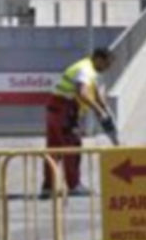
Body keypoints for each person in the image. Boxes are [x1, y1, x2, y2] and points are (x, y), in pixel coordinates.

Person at [42, 48, 114, 198]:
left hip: (54, 109)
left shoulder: (85, 67)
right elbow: (83, 92)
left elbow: (93, 91)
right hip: (64, 111)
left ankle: (48, 187)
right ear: (98, 59)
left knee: (54, 150)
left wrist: (103, 107)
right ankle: (74, 185)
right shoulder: (86, 70)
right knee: (73, 146)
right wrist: (99, 112)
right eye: (106, 64)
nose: (107, 69)